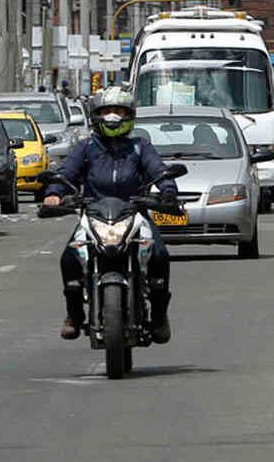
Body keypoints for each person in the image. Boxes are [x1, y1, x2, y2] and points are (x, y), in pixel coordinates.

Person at [42, 87, 179, 343]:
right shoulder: (85, 148)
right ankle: (73, 315)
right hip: (94, 215)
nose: (113, 117)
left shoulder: (140, 147)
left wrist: (168, 191)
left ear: (129, 116)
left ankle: (159, 316)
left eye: (118, 111)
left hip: (135, 214)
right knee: (69, 259)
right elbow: (66, 174)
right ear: (96, 116)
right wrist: (54, 193)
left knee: (159, 255)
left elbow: (159, 171)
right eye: (107, 111)